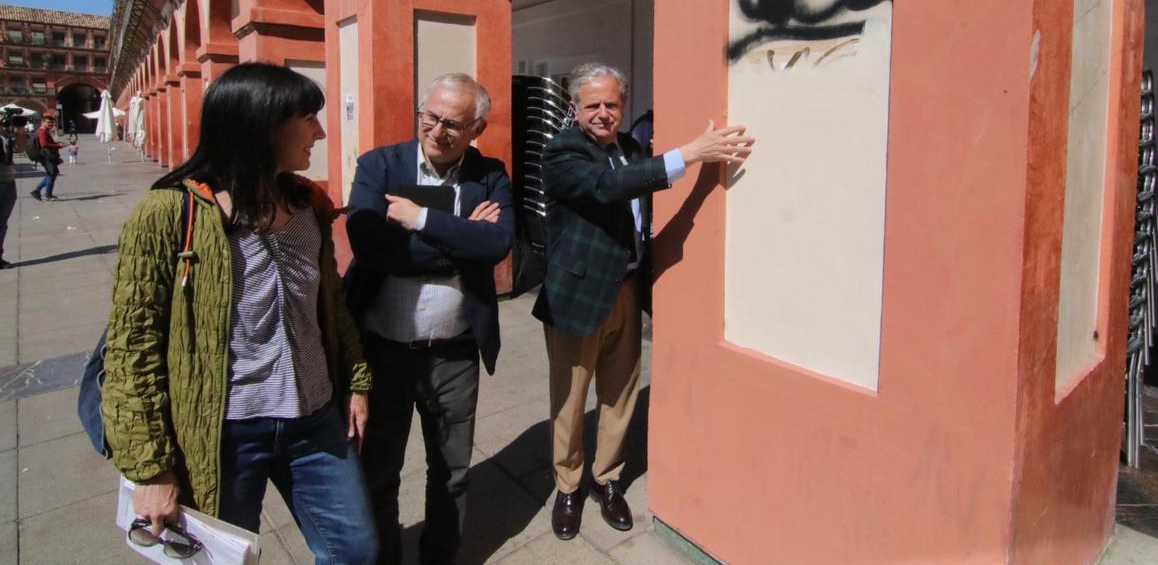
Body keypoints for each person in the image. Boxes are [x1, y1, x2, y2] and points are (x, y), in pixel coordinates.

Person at [100, 62, 378, 565]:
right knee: (220, 561)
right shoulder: (169, 215)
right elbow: (131, 351)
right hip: (224, 430)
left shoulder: (308, 203)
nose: (320, 131)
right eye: (308, 117)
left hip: (315, 421)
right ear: (262, 124)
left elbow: (331, 307)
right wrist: (151, 470)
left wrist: (356, 379)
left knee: (355, 550)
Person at [534, 63, 753, 540]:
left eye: (612, 104)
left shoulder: (631, 148)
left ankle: (607, 479)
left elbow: (639, 201)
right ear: (574, 108)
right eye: (592, 104)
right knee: (570, 402)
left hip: (627, 290)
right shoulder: (562, 150)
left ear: (623, 106)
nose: (603, 113)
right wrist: (692, 154)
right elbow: (604, 187)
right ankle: (567, 486)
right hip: (577, 296)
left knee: (620, 394)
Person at [345, 73, 514, 565]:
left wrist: (420, 220)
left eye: (453, 124)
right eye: (431, 117)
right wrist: (462, 240)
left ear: (477, 127)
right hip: (382, 350)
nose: (438, 131)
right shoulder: (380, 165)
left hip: (454, 353)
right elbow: (370, 245)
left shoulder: (490, 174)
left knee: (452, 470)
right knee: (378, 470)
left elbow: (499, 244)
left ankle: (440, 555)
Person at [0, 113, 25, 268]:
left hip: (8, 181)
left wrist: (20, 132)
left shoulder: (5, 136)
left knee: (2, 223)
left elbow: (20, 149)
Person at [30, 114, 65, 201]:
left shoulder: (43, 131)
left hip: (47, 156)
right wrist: (58, 145)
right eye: (48, 122)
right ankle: (48, 195)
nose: (50, 124)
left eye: (52, 123)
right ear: (42, 122)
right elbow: (44, 144)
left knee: (52, 174)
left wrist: (57, 143)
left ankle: (37, 190)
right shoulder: (42, 131)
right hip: (47, 156)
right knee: (51, 174)